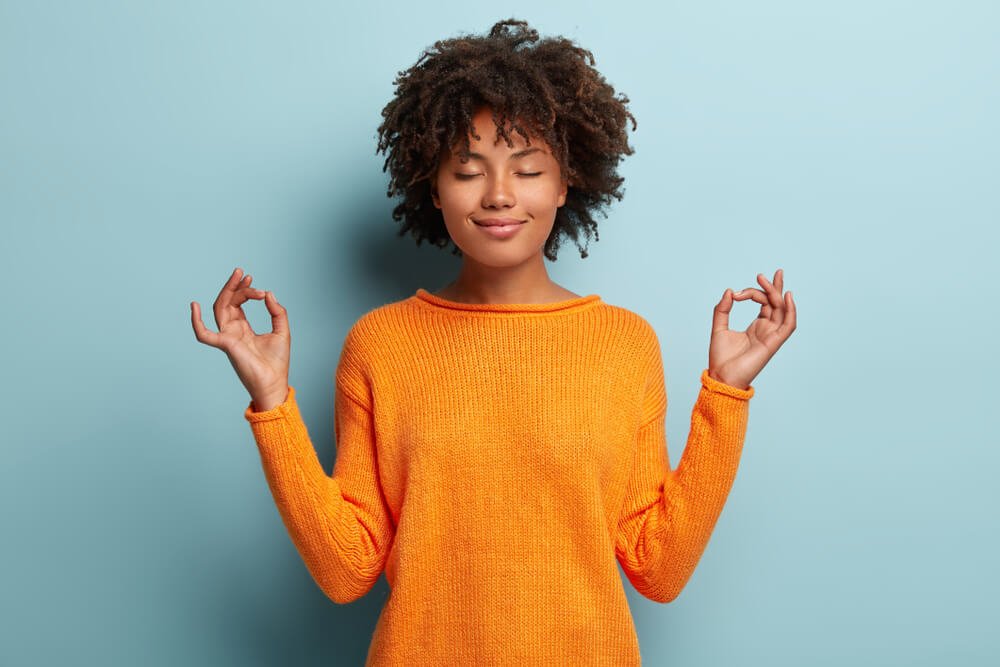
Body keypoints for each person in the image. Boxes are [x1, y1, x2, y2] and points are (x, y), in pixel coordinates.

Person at [190, 18, 796, 665]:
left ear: (566, 182)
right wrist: (273, 403)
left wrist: (727, 395)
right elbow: (347, 569)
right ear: (434, 185)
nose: (500, 195)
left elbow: (660, 567)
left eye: (528, 168)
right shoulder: (381, 344)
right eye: (468, 169)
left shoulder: (624, 344)